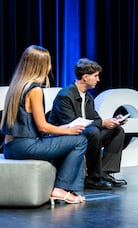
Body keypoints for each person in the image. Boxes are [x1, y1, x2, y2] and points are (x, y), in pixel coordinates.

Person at [0, 45, 88, 206]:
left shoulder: (16, 86)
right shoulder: (35, 90)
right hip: (26, 146)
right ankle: (61, 189)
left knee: (67, 139)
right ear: (41, 65)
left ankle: (69, 188)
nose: (50, 67)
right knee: (80, 140)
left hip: (9, 147)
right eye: (48, 63)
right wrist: (70, 131)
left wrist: (62, 130)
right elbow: (42, 127)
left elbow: (32, 125)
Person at [49, 58, 128, 190]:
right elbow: (70, 124)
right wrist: (101, 123)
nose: (98, 80)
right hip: (65, 137)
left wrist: (114, 121)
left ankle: (104, 173)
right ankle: (92, 178)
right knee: (93, 132)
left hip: (86, 135)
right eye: (96, 76)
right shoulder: (65, 95)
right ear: (85, 77)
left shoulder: (88, 97)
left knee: (117, 130)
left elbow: (95, 119)